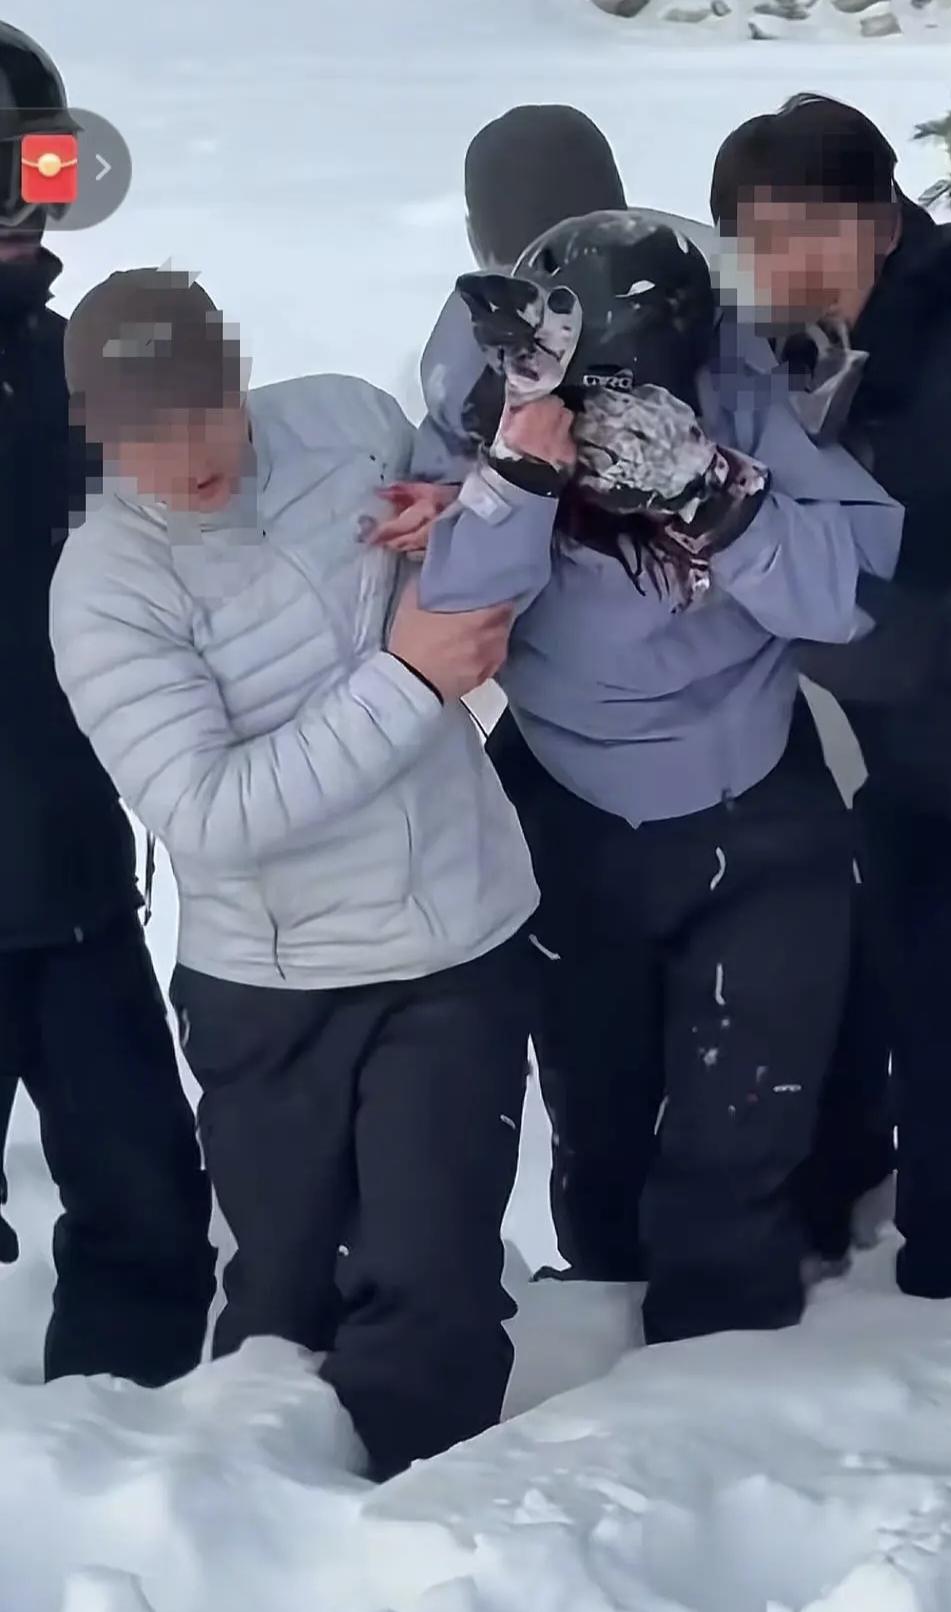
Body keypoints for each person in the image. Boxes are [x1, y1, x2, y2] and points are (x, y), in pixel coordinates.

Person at [49, 267, 539, 1478]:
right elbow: (207, 813)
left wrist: (459, 519)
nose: (185, 450)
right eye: (143, 433)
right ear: (100, 440)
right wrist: (415, 676)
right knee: (279, 1298)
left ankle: (423, 1535)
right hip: (272, 983)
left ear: (240, 376)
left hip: (454, 940)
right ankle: (259, 1539)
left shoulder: (353, 423)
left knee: (432, 1285)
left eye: (202, 408)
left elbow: (487, 553)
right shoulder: (104, 590)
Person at [380, 210, 902, 1340]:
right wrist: (520, 471)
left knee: (745, 1111)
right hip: (569, 803)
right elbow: (459, 612)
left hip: (756, 799)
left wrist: (718, 494)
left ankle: (723, 1354)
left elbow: (857, 590)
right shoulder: (489, 391)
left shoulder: (742, 392)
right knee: (599, 1105)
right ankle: (603, 1321)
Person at [710, 93, 951, 1299]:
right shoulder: (759, 394)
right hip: (928, 833)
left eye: (815, 227)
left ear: (883, 222)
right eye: (758, 240)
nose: (787, 266)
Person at [0, 24, 214, 1382]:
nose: (26, 203)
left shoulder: (89, 372)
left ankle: (122, 1472)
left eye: (39, 167)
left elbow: (209, 537)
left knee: (145, 1209)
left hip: (70, 873)